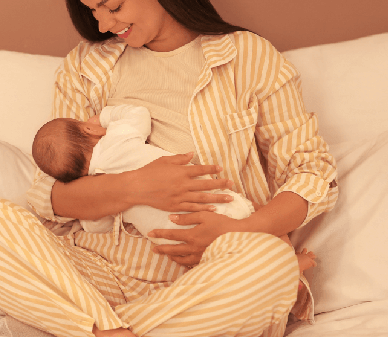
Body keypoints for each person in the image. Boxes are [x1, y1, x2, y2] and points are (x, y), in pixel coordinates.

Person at [0, 0, 337, 337]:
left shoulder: (248, 58)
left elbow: (311, 174)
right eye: (92, 10)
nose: (102, 23)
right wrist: (137, 186)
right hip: (92, 275)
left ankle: (87, 330)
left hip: (203, 282)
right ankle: (104, 328)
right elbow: (52, 198)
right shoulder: (86, 69)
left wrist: (240, 228)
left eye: (111, 5)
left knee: (269, 266)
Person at [30, 104, 318, 277]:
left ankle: (277, 274)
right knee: (258, 233)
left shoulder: (94, 194)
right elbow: (137, 114)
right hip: (213, 207)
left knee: (223, 269)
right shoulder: (116, 139)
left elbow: (97, 226)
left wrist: (107, 203)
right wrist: (103, 117)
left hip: (180, 243)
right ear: (88, 131)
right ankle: (285, 267)